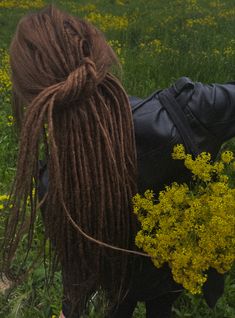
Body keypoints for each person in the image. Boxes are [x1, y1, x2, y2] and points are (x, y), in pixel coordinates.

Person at [1, 4, 233, 318]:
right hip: (175, 269)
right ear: (99, 54)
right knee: (162, 306)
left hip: (119, 281)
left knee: (119, 307)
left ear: (29, 95)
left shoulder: (51, 183)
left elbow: (76, 262)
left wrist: (70, 310)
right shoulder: (186, 114)